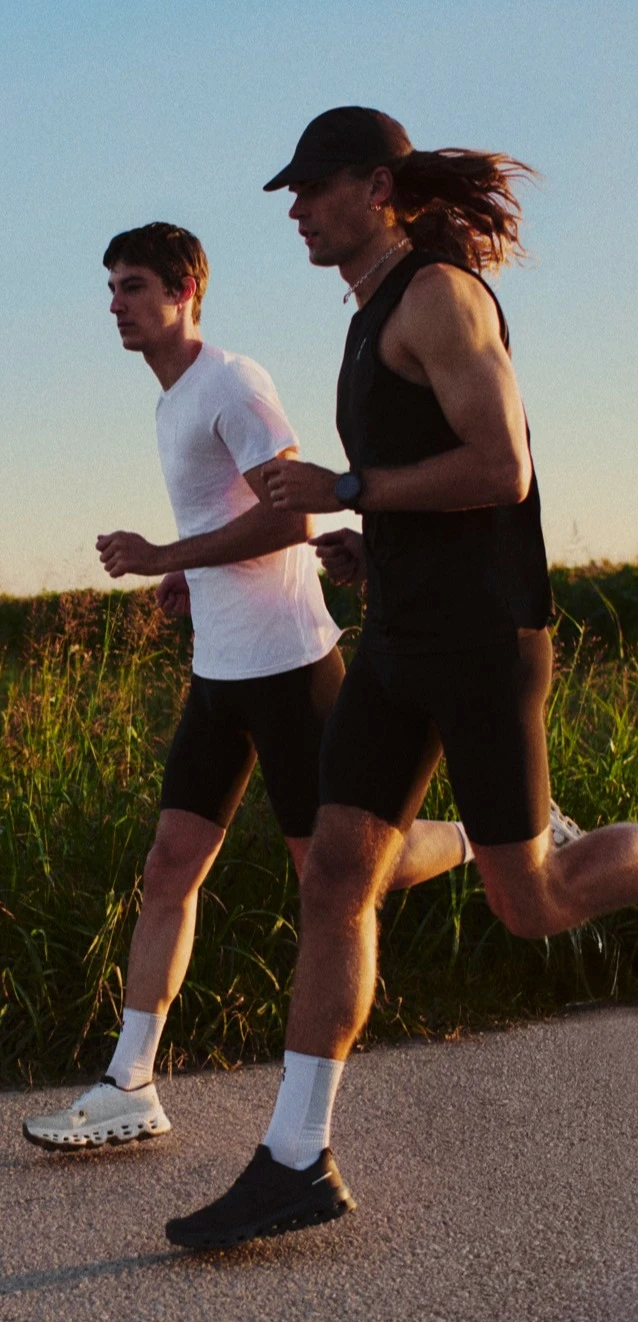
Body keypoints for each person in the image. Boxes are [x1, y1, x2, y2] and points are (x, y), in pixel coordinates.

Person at [164, 107, 638, 1251]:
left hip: (482, 640)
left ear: (375, 186)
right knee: (336, 873)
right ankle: (294, 1157)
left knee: (526, 902)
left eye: (312, 188)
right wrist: (366, 542)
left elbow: (498, 466)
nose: (293, 209)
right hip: (396, 629)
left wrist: (350, 492)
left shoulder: (438, 294)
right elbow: (421, 482)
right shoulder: (367, 309)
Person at [22, 220, 510, 1153]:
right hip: (221, 672)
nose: (115, 305)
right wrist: (190, 573)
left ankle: (498, 834)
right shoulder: (170, 403)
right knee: (170, 866)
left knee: (342, 872)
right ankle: (130, 1081)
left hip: (287, 667)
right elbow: (233, 518)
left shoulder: (232, 383)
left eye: (132, 287)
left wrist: (168, 552)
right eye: (111, 288)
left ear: (185, 289)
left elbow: (293, 515)